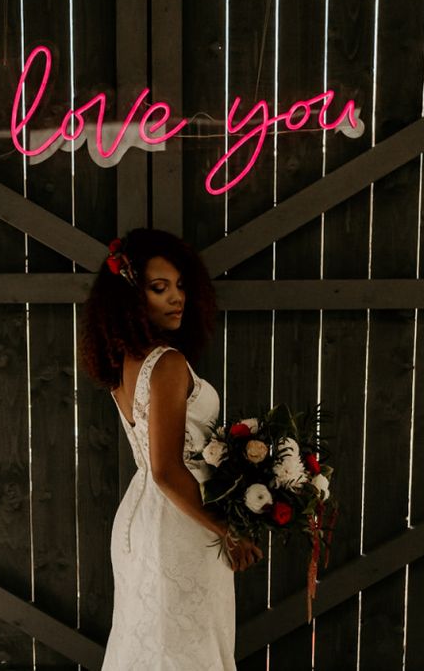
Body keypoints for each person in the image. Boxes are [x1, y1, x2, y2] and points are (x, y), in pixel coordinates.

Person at [79, 228, 263, 669]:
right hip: (179, 520)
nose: (176, 297)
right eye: (159, 288)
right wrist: (226, 529)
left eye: (180, 286)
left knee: (153, 643)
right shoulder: (166, 363)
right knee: (185, 649)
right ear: (130, 298)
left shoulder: (125, 364)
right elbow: (166, 469)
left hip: (144, 519)